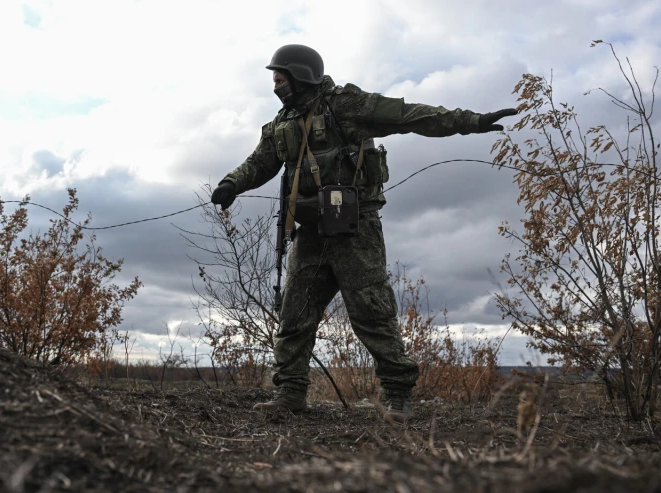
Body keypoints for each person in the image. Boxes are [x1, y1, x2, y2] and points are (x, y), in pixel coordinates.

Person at [210, 44, 516, 423]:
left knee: (372, 312)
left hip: (354, 228)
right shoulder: (281, 123)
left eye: (281, 76)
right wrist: (231, 184)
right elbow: (260, 162)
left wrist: (470, 121)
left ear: (302, 74)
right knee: (294, 314)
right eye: (274, 78)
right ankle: (290, 392)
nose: (275, 83)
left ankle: (398, 394)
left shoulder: (346, 105)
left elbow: (408, 115)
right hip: (311, 230)